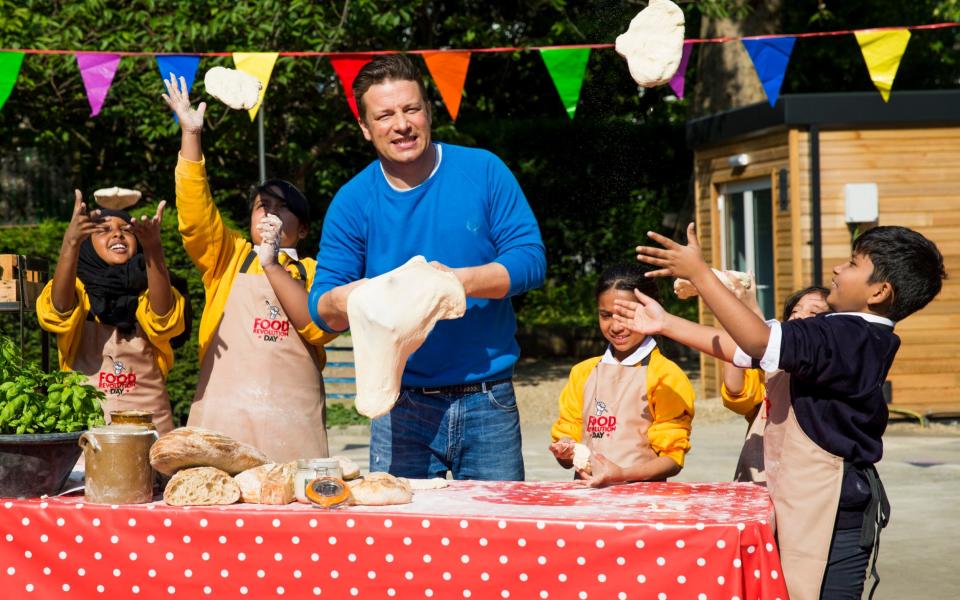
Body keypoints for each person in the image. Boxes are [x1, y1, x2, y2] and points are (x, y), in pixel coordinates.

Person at [618, 224, 945, 600]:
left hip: (832, 514)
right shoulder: (835, 330)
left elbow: (756, 339)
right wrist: (665, 323)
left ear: (879, 291)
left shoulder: (853, 339)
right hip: (802, 503)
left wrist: (700, 275)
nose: (837, 269)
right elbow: (746, 348)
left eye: (853, 263)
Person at [308, 54, 546, 481]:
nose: (401, 124)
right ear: (365, 128)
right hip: (398, 404)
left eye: (411, 109)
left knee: (496, 537)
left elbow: (530, 261)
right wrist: (357, 297)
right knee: (401, 543)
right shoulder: (352, 200)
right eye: (384, 115)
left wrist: (453, 283)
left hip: (487, 398)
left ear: (428, 112)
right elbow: (321, 306)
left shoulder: (484, 171)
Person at [161, 74, 337, 462]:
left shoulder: (315, 271)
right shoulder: (228, 256)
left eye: (282, 207)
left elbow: (316, 329)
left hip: (294, 431)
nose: (270, 212)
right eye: (263, 206)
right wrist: (191, 135)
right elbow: (195, 214)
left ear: (303, 228)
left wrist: (275, 263)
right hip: (223, 423)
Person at [37, 191, 186, 434]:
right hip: (87, 428)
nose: (117, 233)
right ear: (87, 245)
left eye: (126, 229)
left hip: (151, 428)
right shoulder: (78, 290)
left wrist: (154, 249)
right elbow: (58, 311)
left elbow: (164, 318)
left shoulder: (151, 290)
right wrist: (71, 242)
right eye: (103, 230)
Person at [549, 264, 694, 487]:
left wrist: (622, 473)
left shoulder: (666, 375)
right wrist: (565, 448)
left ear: (651, 310)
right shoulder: (583, 373)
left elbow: (673, 459)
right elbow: (569, 438)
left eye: (626, 315)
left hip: (644, 501)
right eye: (606, 315)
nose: (616, 326)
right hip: (588, 500)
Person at [720, 281, 830, 483]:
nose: (798, 315)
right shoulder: (773, 371)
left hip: (801, 485)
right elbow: (739, 383)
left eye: (814, 313)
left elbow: (765, 345)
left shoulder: (825, 373)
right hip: (755, 479)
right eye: (795, 310)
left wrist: (744, 307)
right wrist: (738, 311)